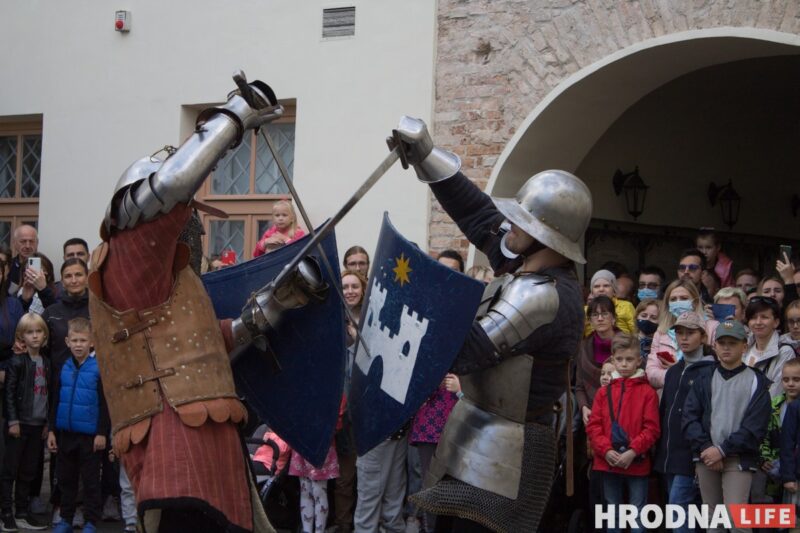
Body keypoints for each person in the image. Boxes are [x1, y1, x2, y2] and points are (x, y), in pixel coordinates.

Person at [90, 77, 321, 532]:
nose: (193, 227)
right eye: (187, 220)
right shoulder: (127, 260)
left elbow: (202, 343)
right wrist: (235, 115)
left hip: (206, 436)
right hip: (174, 441)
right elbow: (168, 188)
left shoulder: (171, 284)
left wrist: (273, 306)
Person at [388, 117, 590, 533]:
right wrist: (426, 156)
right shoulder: (523, 260)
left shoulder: (543, 295)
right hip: (473, 433)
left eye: (522, 222)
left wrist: (408, 297)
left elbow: (465, 352)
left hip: (505, 456)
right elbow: (479, 214)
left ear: (546, 237)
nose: (510, 225)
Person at [683, 319, 771, 533]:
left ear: (744, 345)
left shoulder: (757, 382)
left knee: (737, 519)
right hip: (706, 457)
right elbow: (689, 418)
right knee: (713, 522)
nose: (727, 347)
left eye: (733, 343)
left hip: (738, 458)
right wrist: (706, 448)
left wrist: (721, 450)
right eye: (722, 343)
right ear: (715, 346)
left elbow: (755, 427)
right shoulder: (703, 378)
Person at [585, 332, 660, 533]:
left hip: (636, 461)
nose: (624, 364)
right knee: (612, 513)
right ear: (612, 359)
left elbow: (652, 428)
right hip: (607, 461)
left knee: (638, 513)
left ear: (639, 360)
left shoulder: (648, 393)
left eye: (629, 359)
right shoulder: (603, 392)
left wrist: (633, 451)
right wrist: (606, 450)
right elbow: (594, 426)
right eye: (619, 359)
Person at [652, 312, 715, 533]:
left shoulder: (711, 371)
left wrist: (701, 452)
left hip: (693, 455)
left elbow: (709, 417)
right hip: (668, 454)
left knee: (679, 507)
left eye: (690, 333)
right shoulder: (673, 371)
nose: (684, 338)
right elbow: (664, 412)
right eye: (679, 333)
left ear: (703, 336)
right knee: (679, 509)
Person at [48, 318, 110, 533]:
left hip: (90, 436)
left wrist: (102, 433)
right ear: (67, 341)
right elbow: (55, 400)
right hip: (66, 434)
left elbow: (104, 404)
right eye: (74, 340)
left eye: (83, 340)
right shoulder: (63, 367)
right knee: (66, 480)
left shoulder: (98, 368)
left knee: (91, 482)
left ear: (92, 342)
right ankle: (65, 519)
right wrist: (51, 431)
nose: (78, 344)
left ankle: (91, 521)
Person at [0, 313, 50, 531]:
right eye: (30, 332)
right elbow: (9, 394)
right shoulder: (16, 362)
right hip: (19, 424)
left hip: (38, 424)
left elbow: (50, 394)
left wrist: (48, 423)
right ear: (21, 336)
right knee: (10, 469)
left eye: (39, 331)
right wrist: (13, 420)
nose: (35, 336)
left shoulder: (46, 362)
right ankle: (6, 513)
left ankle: (22, 511)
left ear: (45, 335)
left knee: (28, 470)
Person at [336, 269, 367, 533]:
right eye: (344, 286)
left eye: (354, 286)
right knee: (345, 478)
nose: (349, 291)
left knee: (368, 477)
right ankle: (345, 525)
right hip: (343, 413)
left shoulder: (373, 320)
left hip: (366, 409)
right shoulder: (335, 322)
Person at [646, 279, 717, 391]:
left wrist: (680, 371)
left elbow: (716, 369)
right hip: (670, 394)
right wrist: (677, 374)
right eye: (673, 299)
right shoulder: (661, 332)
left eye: (684, 298)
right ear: (668, 304)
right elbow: (651, 373)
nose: (678, 302)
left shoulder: (712, 328)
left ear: (695, 302)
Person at [289, 399, 343, 533]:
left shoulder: (331, 383)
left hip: (320, 441)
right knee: (305, 489)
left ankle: (319, 531)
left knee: (319, 490)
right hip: (301, 439)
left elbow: (338, 411)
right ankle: (307, 530)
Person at [756, 360, 800, 506]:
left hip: (794, 469)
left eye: (796, 379)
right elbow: (764, 434)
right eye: (786, 380)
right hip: (773, 468)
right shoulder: (774, 405)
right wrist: (764, 458)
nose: (791, 384)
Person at [743, 296, 795, 398]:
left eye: (764, 317)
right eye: (753, 318)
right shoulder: (743, 348)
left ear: (776, 322)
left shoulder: (784, 352)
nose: (758, 322)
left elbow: (776, 394)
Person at [583, 270, 636, 336]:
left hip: (622, 345)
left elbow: (636, 333)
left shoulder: (626, 306)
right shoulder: (584, 311)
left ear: (614, 291)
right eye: (596, 286)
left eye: (606, 286)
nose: (601, 289)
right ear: (592, 292)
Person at [6, 225, 38, 297]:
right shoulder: (8, 266)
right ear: (14, 243)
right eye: (23, 241)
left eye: (31, 241)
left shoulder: (44, 266)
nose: (27, 246)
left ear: (37, 243)